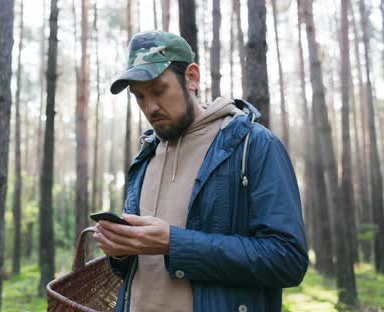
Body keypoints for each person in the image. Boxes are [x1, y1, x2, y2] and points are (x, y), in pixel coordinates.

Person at [93, 30, 308, 312]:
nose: (151, 107)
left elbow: (288, 260)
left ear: (192, 78)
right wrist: (121, 253)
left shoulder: (253, 146)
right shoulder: (144, 158)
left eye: (158, 90)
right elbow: (141, 271)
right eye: (140, 97)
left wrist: (175, 243)